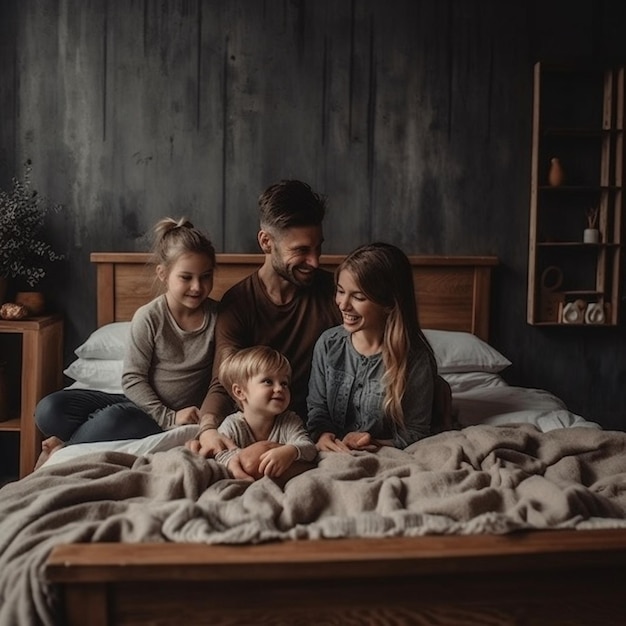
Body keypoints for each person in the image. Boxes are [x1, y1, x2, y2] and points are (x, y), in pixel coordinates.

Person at [34, 217, 218, 467]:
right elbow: (132, 380)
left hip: (151, 417)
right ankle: (87, 435)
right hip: (147, 405)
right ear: (163, 274)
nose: (197, 287)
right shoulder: (149, 317)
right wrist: (168, 417)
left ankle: (64, 450)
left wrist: (178, 419)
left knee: (115, 419)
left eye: (206, 276)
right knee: (49, 409)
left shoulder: (218, 318)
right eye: (186, 277)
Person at [188, 179, 341, 474]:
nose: (315, 260)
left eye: (318, 247)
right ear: (266, 242)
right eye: (301, 250)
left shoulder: (336, 292)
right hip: (255, 430)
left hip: (313, 434)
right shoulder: (238, 303)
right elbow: (224, 379)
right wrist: (207, 429)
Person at [306, 242, 437, 452]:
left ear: (389, 304)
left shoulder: (415, 358)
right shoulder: (328, 344)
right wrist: (322, 436)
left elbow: (416, 433)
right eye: (340, 291)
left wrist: (374, 443)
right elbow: (317, 409)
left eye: (358, 297)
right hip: (331, 453)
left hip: (387, 455)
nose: (343, 304)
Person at [214, 346, 317, 480]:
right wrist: (240, 462)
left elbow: (309, 448)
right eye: (268, 381)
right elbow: (220, 454)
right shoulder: (232, 425)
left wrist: (290, 451)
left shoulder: (289, 421)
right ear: (240, 392)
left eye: (284, 383)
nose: (279, 388)